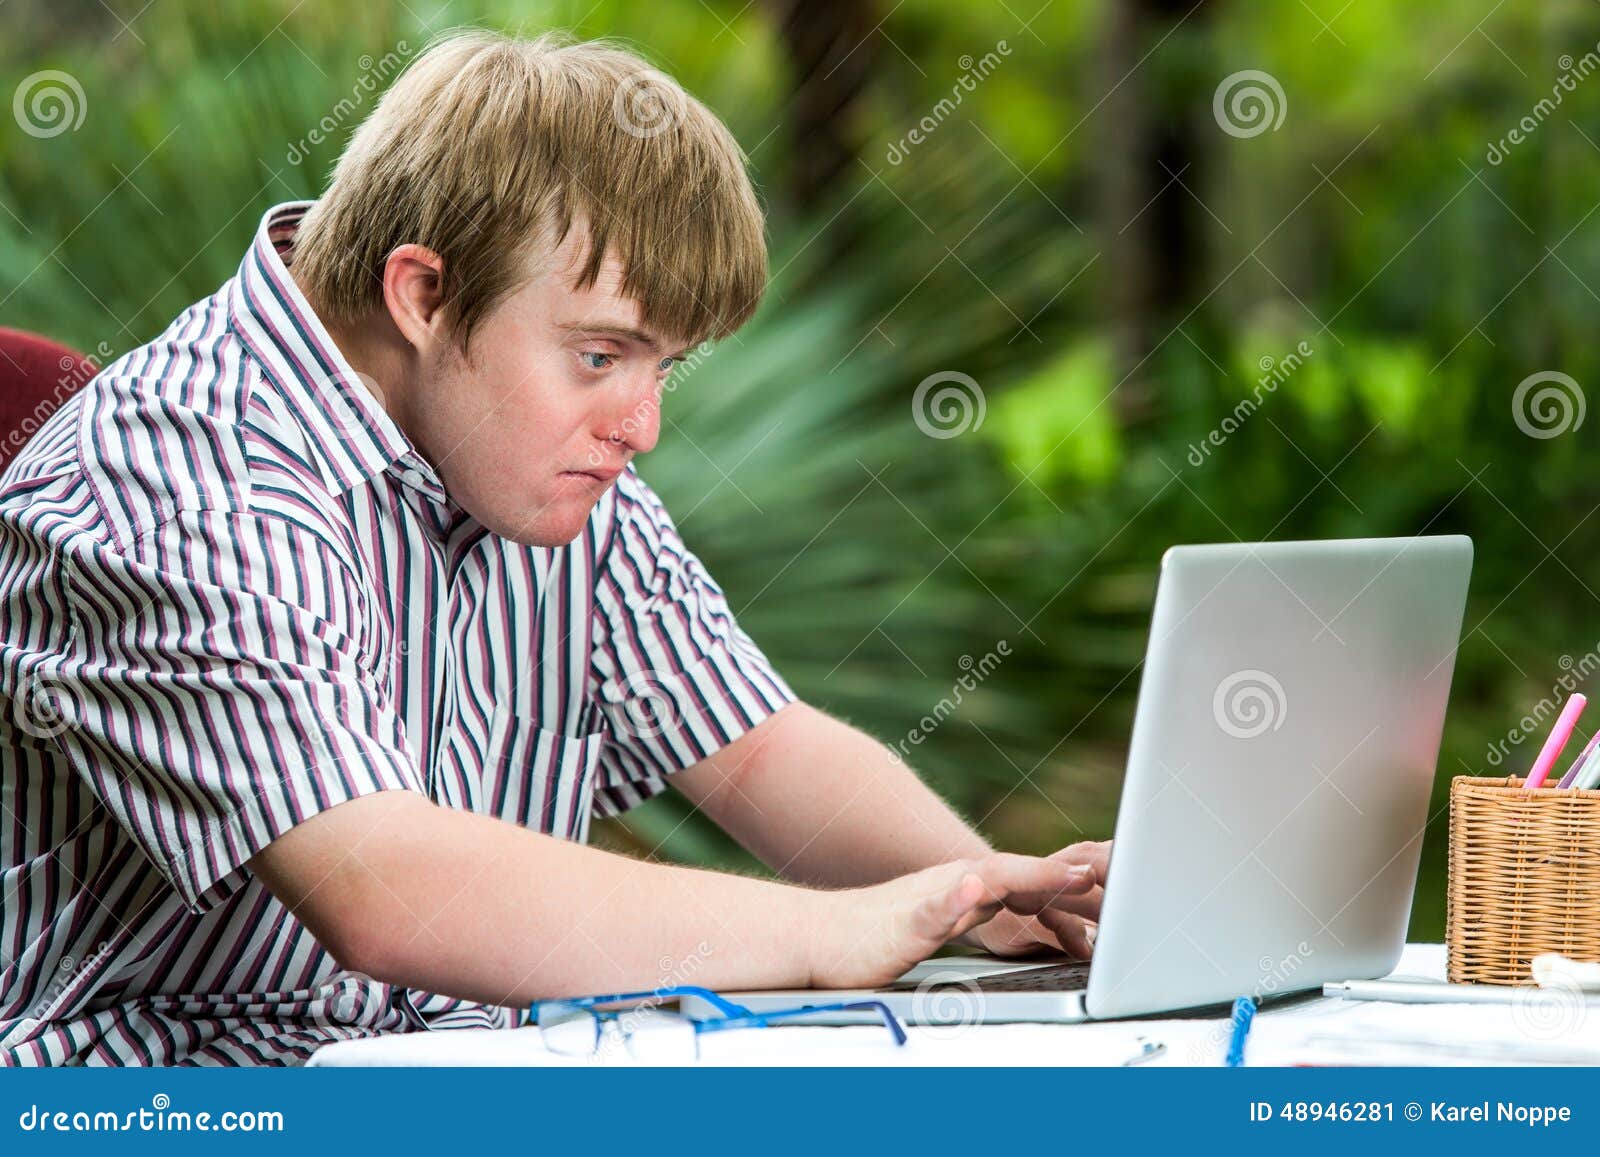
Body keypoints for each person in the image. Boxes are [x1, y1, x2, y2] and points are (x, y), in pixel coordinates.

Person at [0, 30, 1106, 1066]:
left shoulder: (519, 455)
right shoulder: (178, 483)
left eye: (661, 366)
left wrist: (981, 892)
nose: (641, 424)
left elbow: (756, 748)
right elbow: (385, 886)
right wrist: (830, 932)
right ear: (423, 294)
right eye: (601, 355)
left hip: (448, 1074)